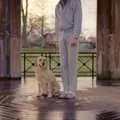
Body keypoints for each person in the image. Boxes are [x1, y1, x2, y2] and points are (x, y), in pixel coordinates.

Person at [55, 0, 82, 99]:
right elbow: (57, 22)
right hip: (61, 35)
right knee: (63, 64)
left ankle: (72, 91)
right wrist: (57, 37)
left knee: (72, 63)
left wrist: (75, 36)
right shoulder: (58, 6)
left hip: (71, 34)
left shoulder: (75, 2)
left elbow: (78, 19)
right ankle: (65, 90)